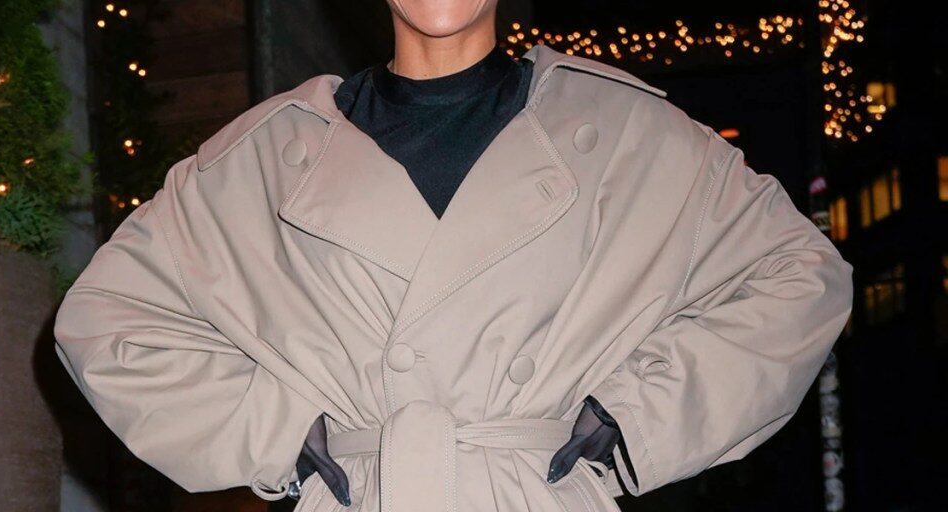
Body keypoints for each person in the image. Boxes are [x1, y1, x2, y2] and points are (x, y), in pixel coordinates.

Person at [53, 0, 855, 510]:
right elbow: (107, 319)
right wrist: (273, 428)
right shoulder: (265, 154)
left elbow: (799, 277)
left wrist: (638, 412)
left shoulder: (626, 131)